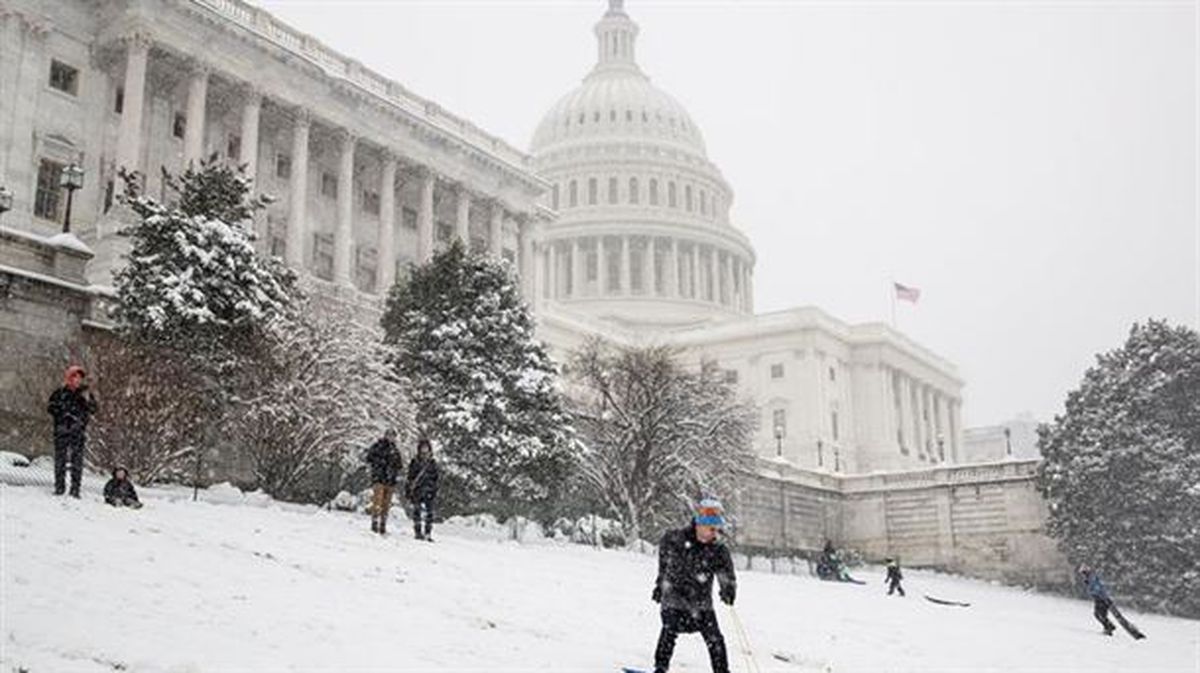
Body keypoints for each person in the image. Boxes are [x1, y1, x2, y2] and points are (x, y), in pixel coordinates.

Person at [650, 497, 736, 673]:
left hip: (701, 603)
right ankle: (660, 668)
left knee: (715, 639)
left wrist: (728, 589)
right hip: (674, 597)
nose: (714, 534)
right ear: (699, 524)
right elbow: (664, 564)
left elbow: (726, 573)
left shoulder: (718, 550)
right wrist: (660, 584)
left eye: (717, 530)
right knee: (669, 631)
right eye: (711, 529)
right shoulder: (674, 540)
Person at [47, 365, 97, 498]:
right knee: (60, 461)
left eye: (80, 378)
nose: (77, 380)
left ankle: (75, 489)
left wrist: (87, 401)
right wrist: (64, 415)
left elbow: (93, 409)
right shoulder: (59, 393)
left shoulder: (84, 393)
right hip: (62, 431)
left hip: (78, 432)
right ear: (68, 378)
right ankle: (59, 487)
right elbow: (51, 408)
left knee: (77, 462)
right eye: (74, 377)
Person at [365, 429, 403, 535]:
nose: (391, 438)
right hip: (379, 478)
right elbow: (369, 458)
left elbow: (399, 465)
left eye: (393, 436)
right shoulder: (378, 446)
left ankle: (383, 523)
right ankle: (375, 522)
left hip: (390, 480)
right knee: (378, 500)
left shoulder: (395, 450)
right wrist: (380, 463)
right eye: (389, 435)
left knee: (386, 504)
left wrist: (393, 470)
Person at [405, 438, 439, 541]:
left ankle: (428, 533)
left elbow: (436, 477)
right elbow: (410, 477)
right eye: (423, 448)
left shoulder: (432, 463)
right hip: (418, 490)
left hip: (429, 489)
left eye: (426, 448)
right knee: (417, 512)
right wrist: (409, 490)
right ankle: (418, 532)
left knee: (429, 513)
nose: (424, 450)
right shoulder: (415, 462)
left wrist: (433, 488)